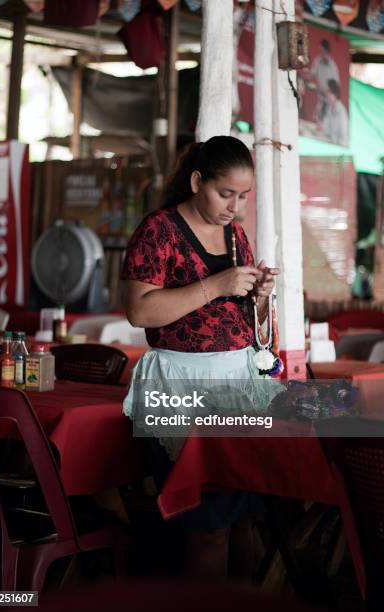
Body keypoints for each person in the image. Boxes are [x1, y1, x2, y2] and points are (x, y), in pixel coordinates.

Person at [121, 136, 281, 580]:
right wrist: (217, 285)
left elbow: (243, 318)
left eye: (243, 196)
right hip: (179, 387)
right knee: (207, 524)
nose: (235, 206)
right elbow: (139, 310)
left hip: (237, 387)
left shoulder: (236, 236)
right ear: (197, 181)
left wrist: (259, 297)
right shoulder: (160, 231)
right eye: (225, 193)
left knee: (242, 519)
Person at [310, 39, 340, 123]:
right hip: (320, 95)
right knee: (318, 117)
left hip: (328, 97)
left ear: (327, 51)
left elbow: (336, 85)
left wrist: (329, 92)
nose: (321, 54)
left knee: (328, 117)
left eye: (323, 51)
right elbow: (311, 74)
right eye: (320, 51)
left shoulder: (333, 66)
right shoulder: (317, 61)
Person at [320, 79, 349, 146]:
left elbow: (343, 137)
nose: (326, 95)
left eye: (328, 92)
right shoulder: (329, 107)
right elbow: (325, 126)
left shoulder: (341, 112)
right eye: (326, 92)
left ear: (335, 93)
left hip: (339, 145)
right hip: (329, 141)